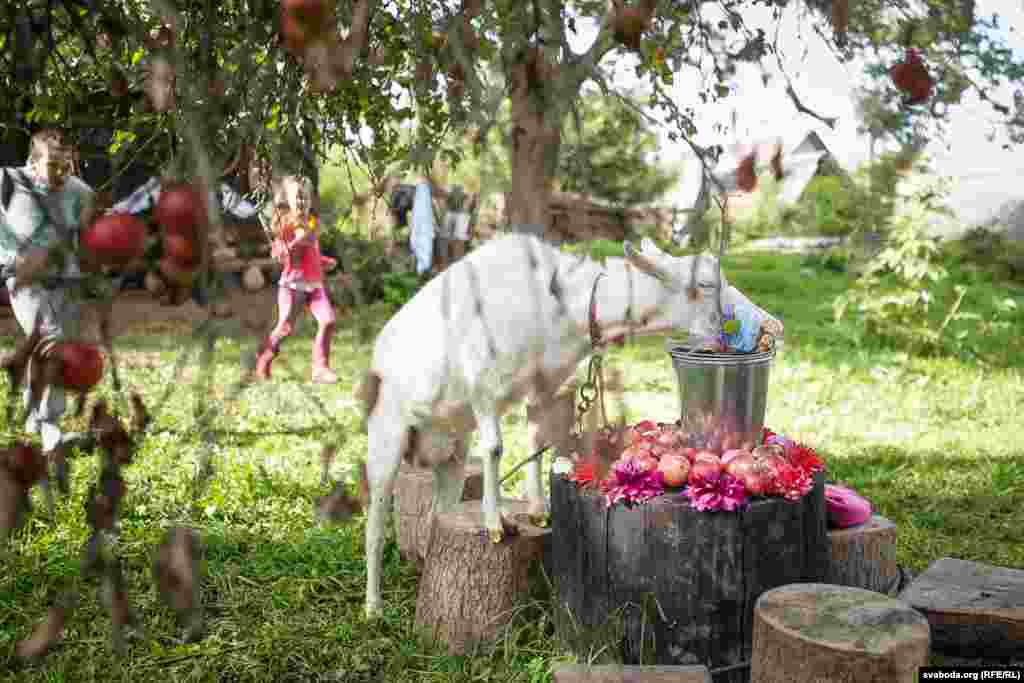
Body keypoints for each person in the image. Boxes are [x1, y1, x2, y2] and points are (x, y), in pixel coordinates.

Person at [0, 127, 95, 457]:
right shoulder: (8, 182)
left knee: (54, 346)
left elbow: (85, 238)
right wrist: (11, 258)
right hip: (23, 278)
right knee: (51, 341)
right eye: (53, 165)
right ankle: (50, 427)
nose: (61, 173)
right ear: (33, 161)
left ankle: (32, 416)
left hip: (66, 281)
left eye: (66, 165)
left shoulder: (80, 191)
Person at [255, 175, 339, 384]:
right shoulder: (286, 225)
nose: (302, 202)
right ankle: (264, 356)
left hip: (315, 285)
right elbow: (278, 254)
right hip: (292, 286)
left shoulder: (311, 222)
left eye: (305, 198)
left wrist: (323, 261)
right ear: (289, 201)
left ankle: (320, 368)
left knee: (328, 321)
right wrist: (294, 244)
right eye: (297, 198)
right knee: (285, 328)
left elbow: (311, 252)